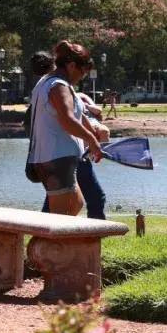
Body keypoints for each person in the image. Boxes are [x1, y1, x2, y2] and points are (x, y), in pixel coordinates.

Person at [27, 41, 104, 217]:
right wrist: (91, 140)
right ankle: (44, 245)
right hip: (56, 158)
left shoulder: (48, 82)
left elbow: (76, 114)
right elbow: (67, 120)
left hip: (59, 158)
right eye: (81, 72)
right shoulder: (58, 85)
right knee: (59, 216)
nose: (81, 77)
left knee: (75, 204)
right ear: (70, 65)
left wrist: (91, 132)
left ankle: (62, 244)